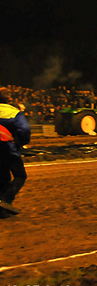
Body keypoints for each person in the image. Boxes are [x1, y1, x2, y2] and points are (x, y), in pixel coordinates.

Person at [0, 87, 31, 215]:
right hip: (8, 149)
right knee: (20, 175)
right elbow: (24, 130)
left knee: (3, 177)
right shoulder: (13, 112)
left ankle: (3, 208)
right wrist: (20, 142)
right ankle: (6, 200)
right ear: (9, 99)